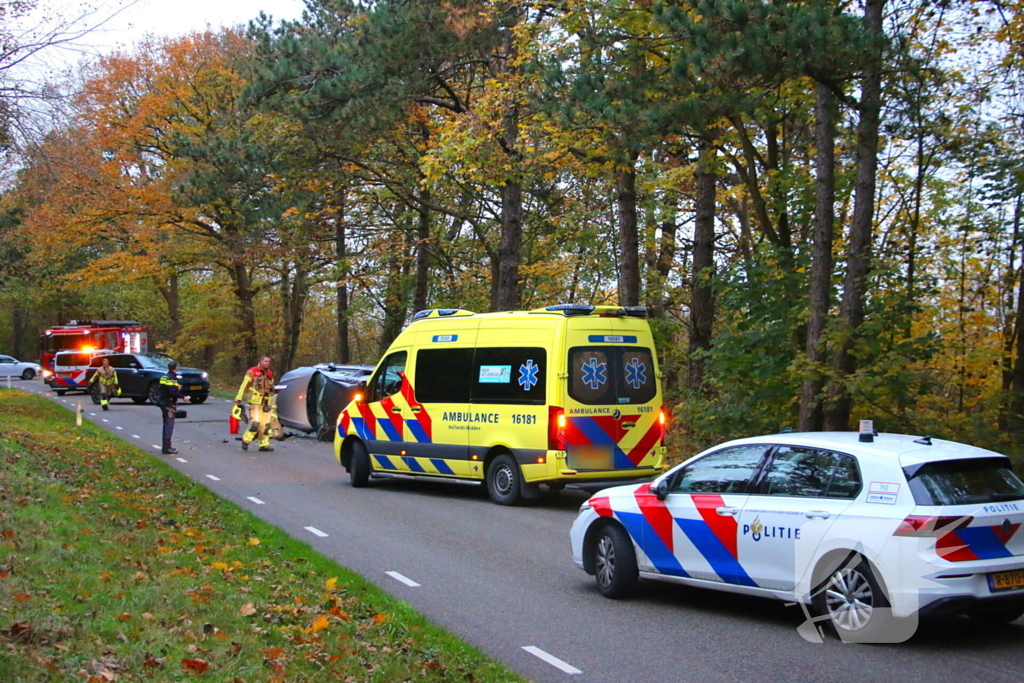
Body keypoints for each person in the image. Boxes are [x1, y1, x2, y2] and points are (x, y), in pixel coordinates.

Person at [235, 355, 276, 452]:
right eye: (266, 361)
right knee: (255, 423)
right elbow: (244, 385)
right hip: (255, 401)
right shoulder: (252, 371)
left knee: (266, 425)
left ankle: (264, 445)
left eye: (269, 361)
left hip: (266, 402)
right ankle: (246, 440)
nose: (267, 363)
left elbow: (272, 388)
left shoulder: (270, 374)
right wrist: (238, 397)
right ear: (260, 361)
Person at [157, 360, 184, 455]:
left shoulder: (164, 377)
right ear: (175, 368)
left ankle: (166, 446)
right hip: (169, 404)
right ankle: (167, 447)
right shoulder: (172, 379)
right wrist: (182, 395)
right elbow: (173, 391)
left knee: (166, 424)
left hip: (162, 402)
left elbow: (161, 389)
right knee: (169, 425)